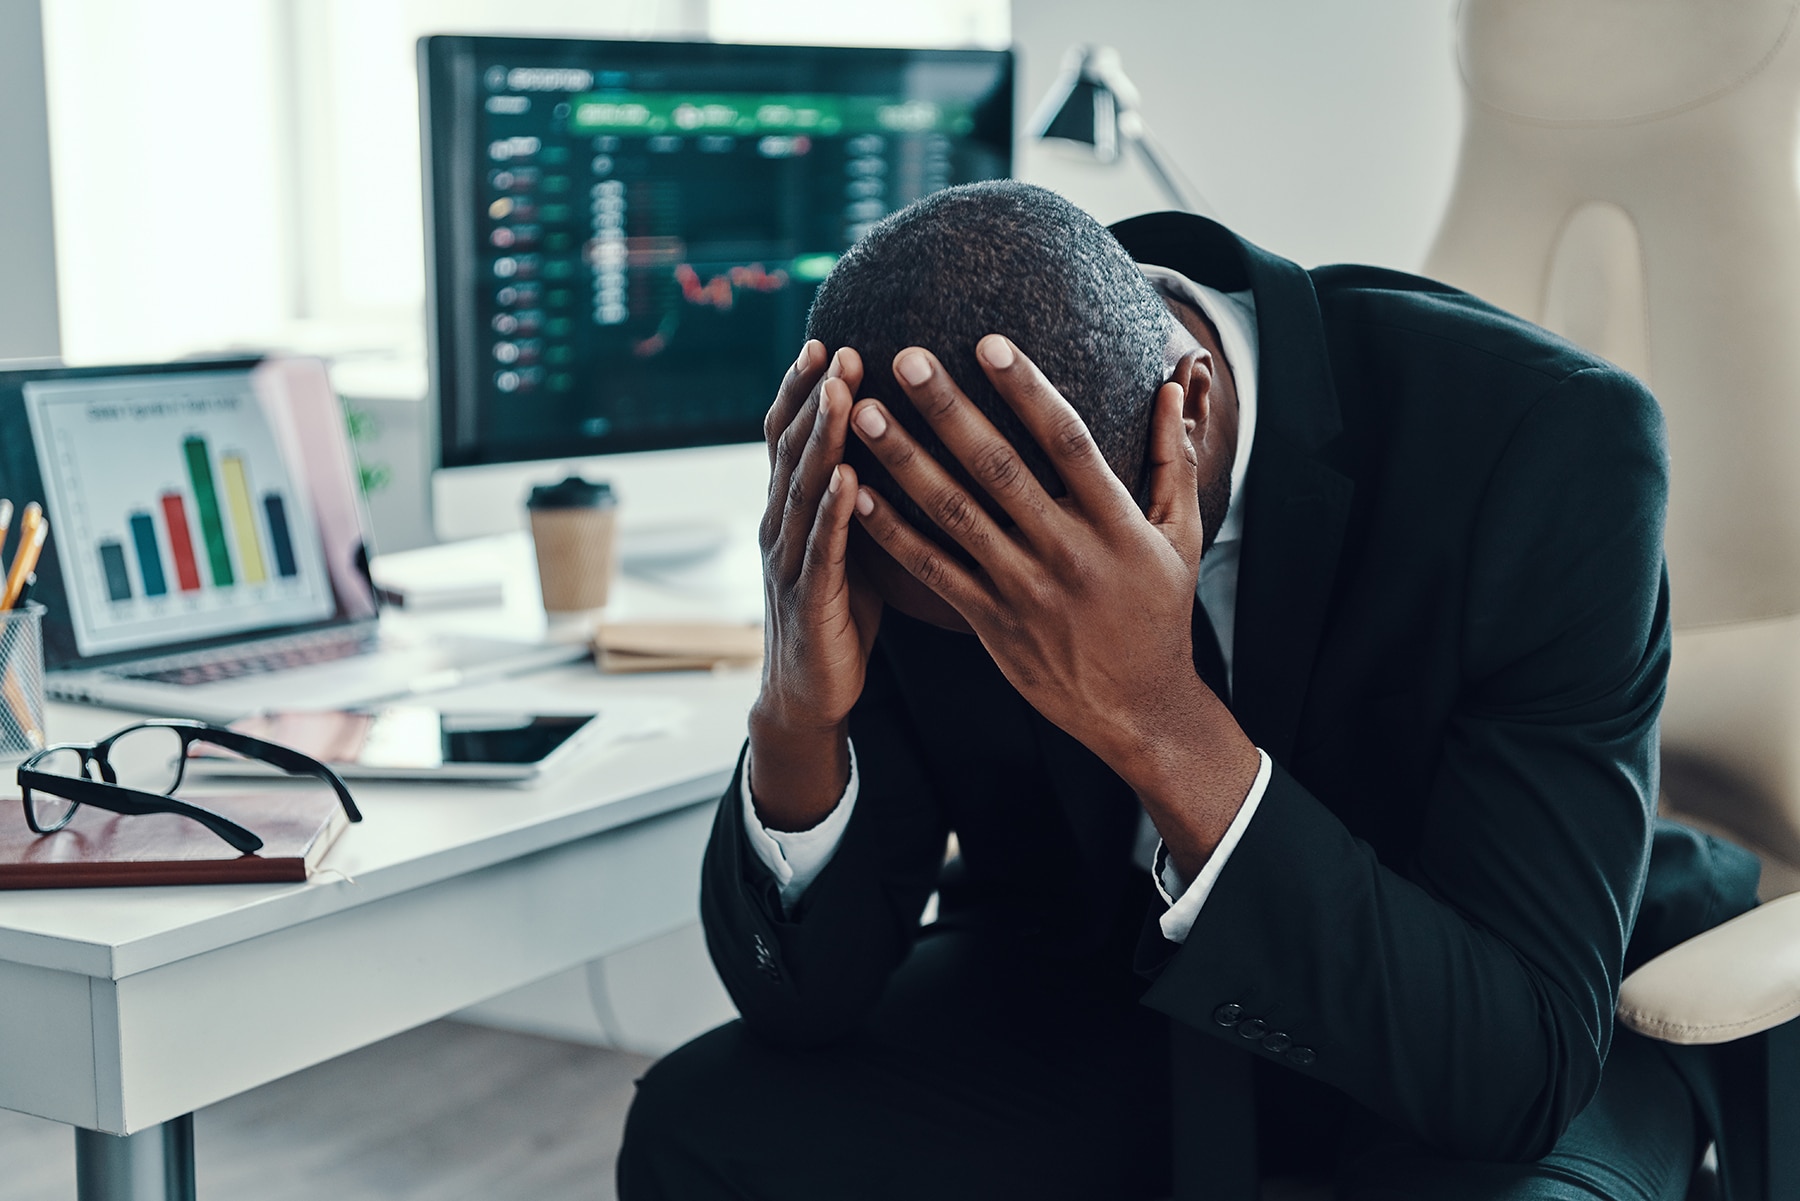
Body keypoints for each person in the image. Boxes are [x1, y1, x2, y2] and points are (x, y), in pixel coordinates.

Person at [617, 182, 1760, 1200]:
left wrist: (1158, 717)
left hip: (1465, 1004)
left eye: (1020, 622)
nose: (988, 650)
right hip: (1098, 993)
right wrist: (797, 716)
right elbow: (804, 1001)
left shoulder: (1545, 443)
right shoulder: (923, 465)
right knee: (705, 1133)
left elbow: (1515, 1073)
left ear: (1190, 414)